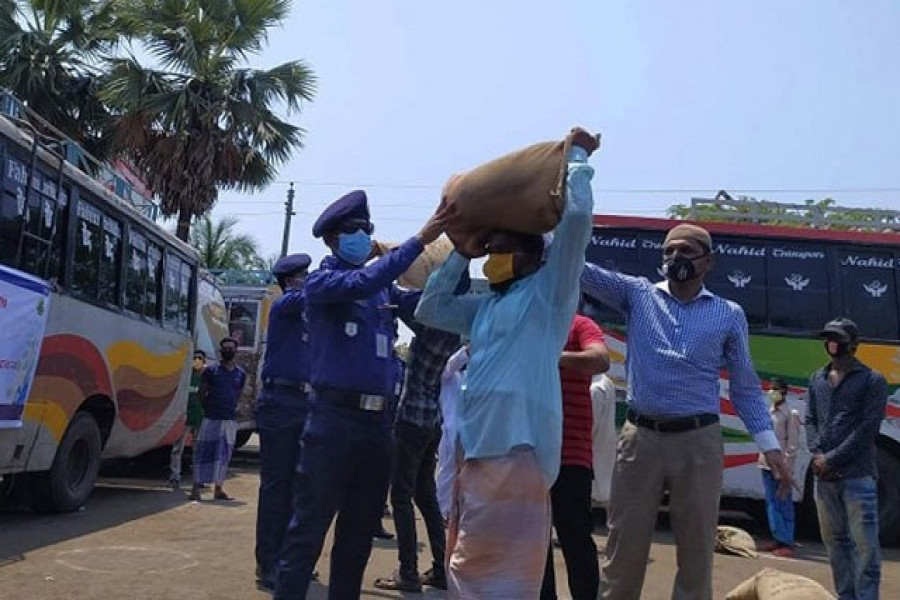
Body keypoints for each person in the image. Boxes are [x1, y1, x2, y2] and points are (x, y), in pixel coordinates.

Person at [415, 129, 599, 598]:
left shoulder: (548, 296)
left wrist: (576, 156)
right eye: (489, 251)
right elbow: (430, 308)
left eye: (500, 250)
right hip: (474, 451)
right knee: (467, 563)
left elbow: (576, 220)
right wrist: (460, 251)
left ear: (533, 256)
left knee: (505, 576)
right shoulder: (486, 306)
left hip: (520, 450)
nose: (492, 259)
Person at [580, 222, 793, 600]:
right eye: (669, 251)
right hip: (640, 440)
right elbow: (582, 271)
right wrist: (546, 234)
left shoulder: (728, 314)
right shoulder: (637, 295)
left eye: (686, 251)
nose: (675, 258)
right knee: (623, 548)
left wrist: (770, 445)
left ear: (707, 261)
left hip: (698, 443)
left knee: (696, 553)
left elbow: (744, 386)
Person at [274, 190, 450, 599]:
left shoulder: (384, 292)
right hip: (332, 423)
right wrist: (421, 238)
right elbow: (366, 278)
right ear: (333, 239)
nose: (363, 236)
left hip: (378, 426)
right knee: (307, 533)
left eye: (367, 230)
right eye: (354, 230)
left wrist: (457, 256)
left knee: (356, 539)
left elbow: (429, 304)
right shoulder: (324, 282)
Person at [373, 325, 462, 593]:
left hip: (411, 420)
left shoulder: (429, 330)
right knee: (426, 496)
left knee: (401, 496)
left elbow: (405, 305)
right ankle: (439, 569)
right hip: (431, 422)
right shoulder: (452, 334)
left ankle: (408, 572)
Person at [807, 317, 887, 600]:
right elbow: (811, 420)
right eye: (828, 338)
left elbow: (867, 429)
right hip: (825, 479)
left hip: (857, 476)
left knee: (865, 546)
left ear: (854, 345)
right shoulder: (817, 379)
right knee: (835, 542)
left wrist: (832, 459)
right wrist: (817, 454)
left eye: (838, 339)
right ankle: (846, 595)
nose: (832, 344)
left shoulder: (873, 381)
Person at [254, 253, 313, 591]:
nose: (307, 281)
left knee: (299, 488)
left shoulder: (306, 317)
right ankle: (268, 563)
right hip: (280, 402)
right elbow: (316, 294)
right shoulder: (284, 306)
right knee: (276, 488)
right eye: (304, 276)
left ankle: (289, 560)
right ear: (290, 281)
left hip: (305, 403)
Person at [541, 313, 610, 600]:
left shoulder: (580, 325)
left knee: (576, 538)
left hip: (570, 455)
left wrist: (553, 356)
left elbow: (600, 359)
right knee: (536, 543)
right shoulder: (529, 320)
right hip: (530, 452)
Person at [189, 337, 247, 502]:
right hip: (211, 418)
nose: (228, 351)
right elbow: (201, 392)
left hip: (229, 419)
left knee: (224, 455)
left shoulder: (240, 374)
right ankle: (195, 488)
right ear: (221, 351)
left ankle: (218, 489)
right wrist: (206, 408)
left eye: (231, 348)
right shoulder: (211, 371)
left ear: (235, 351)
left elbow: (238, 394)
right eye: (225, 348)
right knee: (204, 452)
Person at [758, 377, 801, 558]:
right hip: (766, 463)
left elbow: (792, 445)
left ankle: (787, 541)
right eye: (770, 388)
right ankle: (777, 537)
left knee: (783, 502)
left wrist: (786, 470)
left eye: (775, 389)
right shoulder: (769, 411)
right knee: (772, 502)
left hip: (781, 466)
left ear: (784, 392)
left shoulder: (791, 414)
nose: (771, 392)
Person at [436, 344, 469, 521]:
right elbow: (452, 363)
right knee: (447, 469)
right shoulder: (448, 375)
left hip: (470, 431)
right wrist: (467, 350)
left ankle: (458, 509)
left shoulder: (470, 377)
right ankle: (443, 509)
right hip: (450, 430)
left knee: (467, 472)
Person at [169, 349, 206, 491]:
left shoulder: (205, 378)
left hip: (199, 417)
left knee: (199, 450)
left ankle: (198, 478)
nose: (197, 360)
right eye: (195, 357)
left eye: (200, 358)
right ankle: (175, 477)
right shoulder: (186, 376)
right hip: (184, 417)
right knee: (178, 449)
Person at [590, 372, 617, 508]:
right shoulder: (605, 381)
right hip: (603, 465)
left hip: (592, 470)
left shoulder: (594, 390)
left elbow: (588, 430)